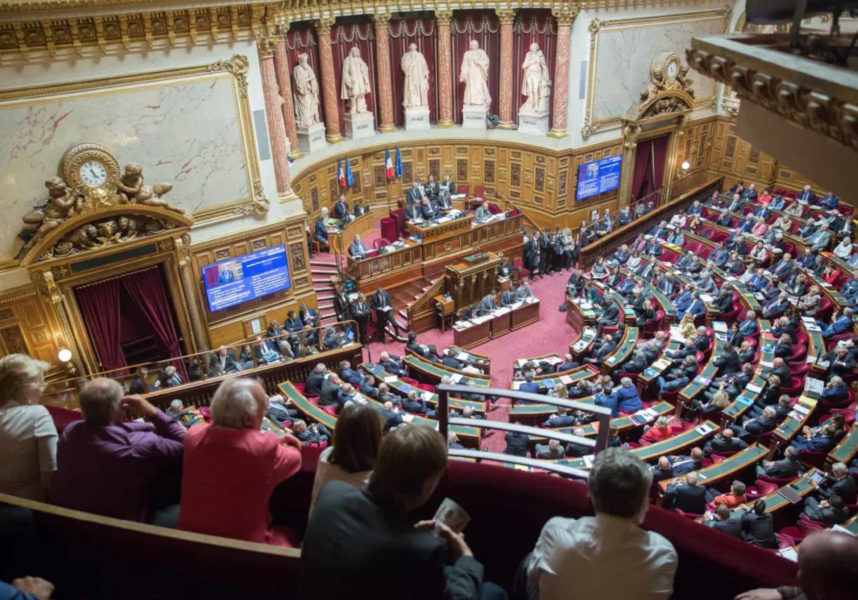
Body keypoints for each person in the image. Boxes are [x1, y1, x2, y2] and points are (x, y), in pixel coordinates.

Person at [302, 425, 507, 600]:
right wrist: (465, 557)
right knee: (493, 592)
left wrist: (413, 537)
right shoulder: (422, 551)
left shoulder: (331, 493)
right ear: (427, 485)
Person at [521, 448, 677, 600]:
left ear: (590, 493)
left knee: (529, 560)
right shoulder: (663, 552)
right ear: (644, 503)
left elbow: (533, 575)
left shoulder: (555, 530)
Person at [178, 378, 303, 546]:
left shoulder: (193, 435)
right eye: (263, 412)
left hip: (187, 544)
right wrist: (276, 443)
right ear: (248, 420)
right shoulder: (262, 446)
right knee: (296, 523)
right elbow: (295, 457)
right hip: (243, 553)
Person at [54, 378, 185, 522]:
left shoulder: (71, 431)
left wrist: (149, 426)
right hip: (125, 530)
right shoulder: (137, 444)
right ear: (121, 405)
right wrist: (151, 411)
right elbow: (186, 443)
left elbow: (107, 428)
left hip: (76, 525)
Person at [0, 355, 56, 502]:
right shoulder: (37, 414)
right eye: (41, 384)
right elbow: (51, 475)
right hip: (33, 510)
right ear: (25, 388)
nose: (42, 390)